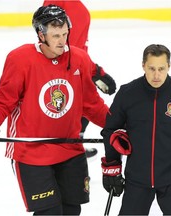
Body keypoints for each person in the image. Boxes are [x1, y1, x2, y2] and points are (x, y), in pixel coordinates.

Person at [0, 5, 109, 215]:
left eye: (65, 34)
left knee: (71, 211)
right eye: (56, 35)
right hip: (31, 153)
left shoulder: (79, 58)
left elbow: (92, 105)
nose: (62, 41)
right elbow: (3, 100)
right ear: (41, 35)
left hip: (69, 148)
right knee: (49, 213)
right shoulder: (20, 59)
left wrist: (121, 124)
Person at [101, 44, 171, 215]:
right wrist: (112, 167)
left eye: (161, 68)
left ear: (169, 66)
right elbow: (110, 130)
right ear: (143, 66)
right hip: (137, 180)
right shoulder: (128, 94)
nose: (156, 75)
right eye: (151, 68)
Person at [43, 0, 117, 158]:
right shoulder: (59, 1)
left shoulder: (75, 4)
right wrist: (91, 69)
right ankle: (65, 148)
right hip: (68, 67)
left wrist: (91, 69)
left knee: (83, 102)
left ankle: (77, 142)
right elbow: (51, 38)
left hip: (78, 65)